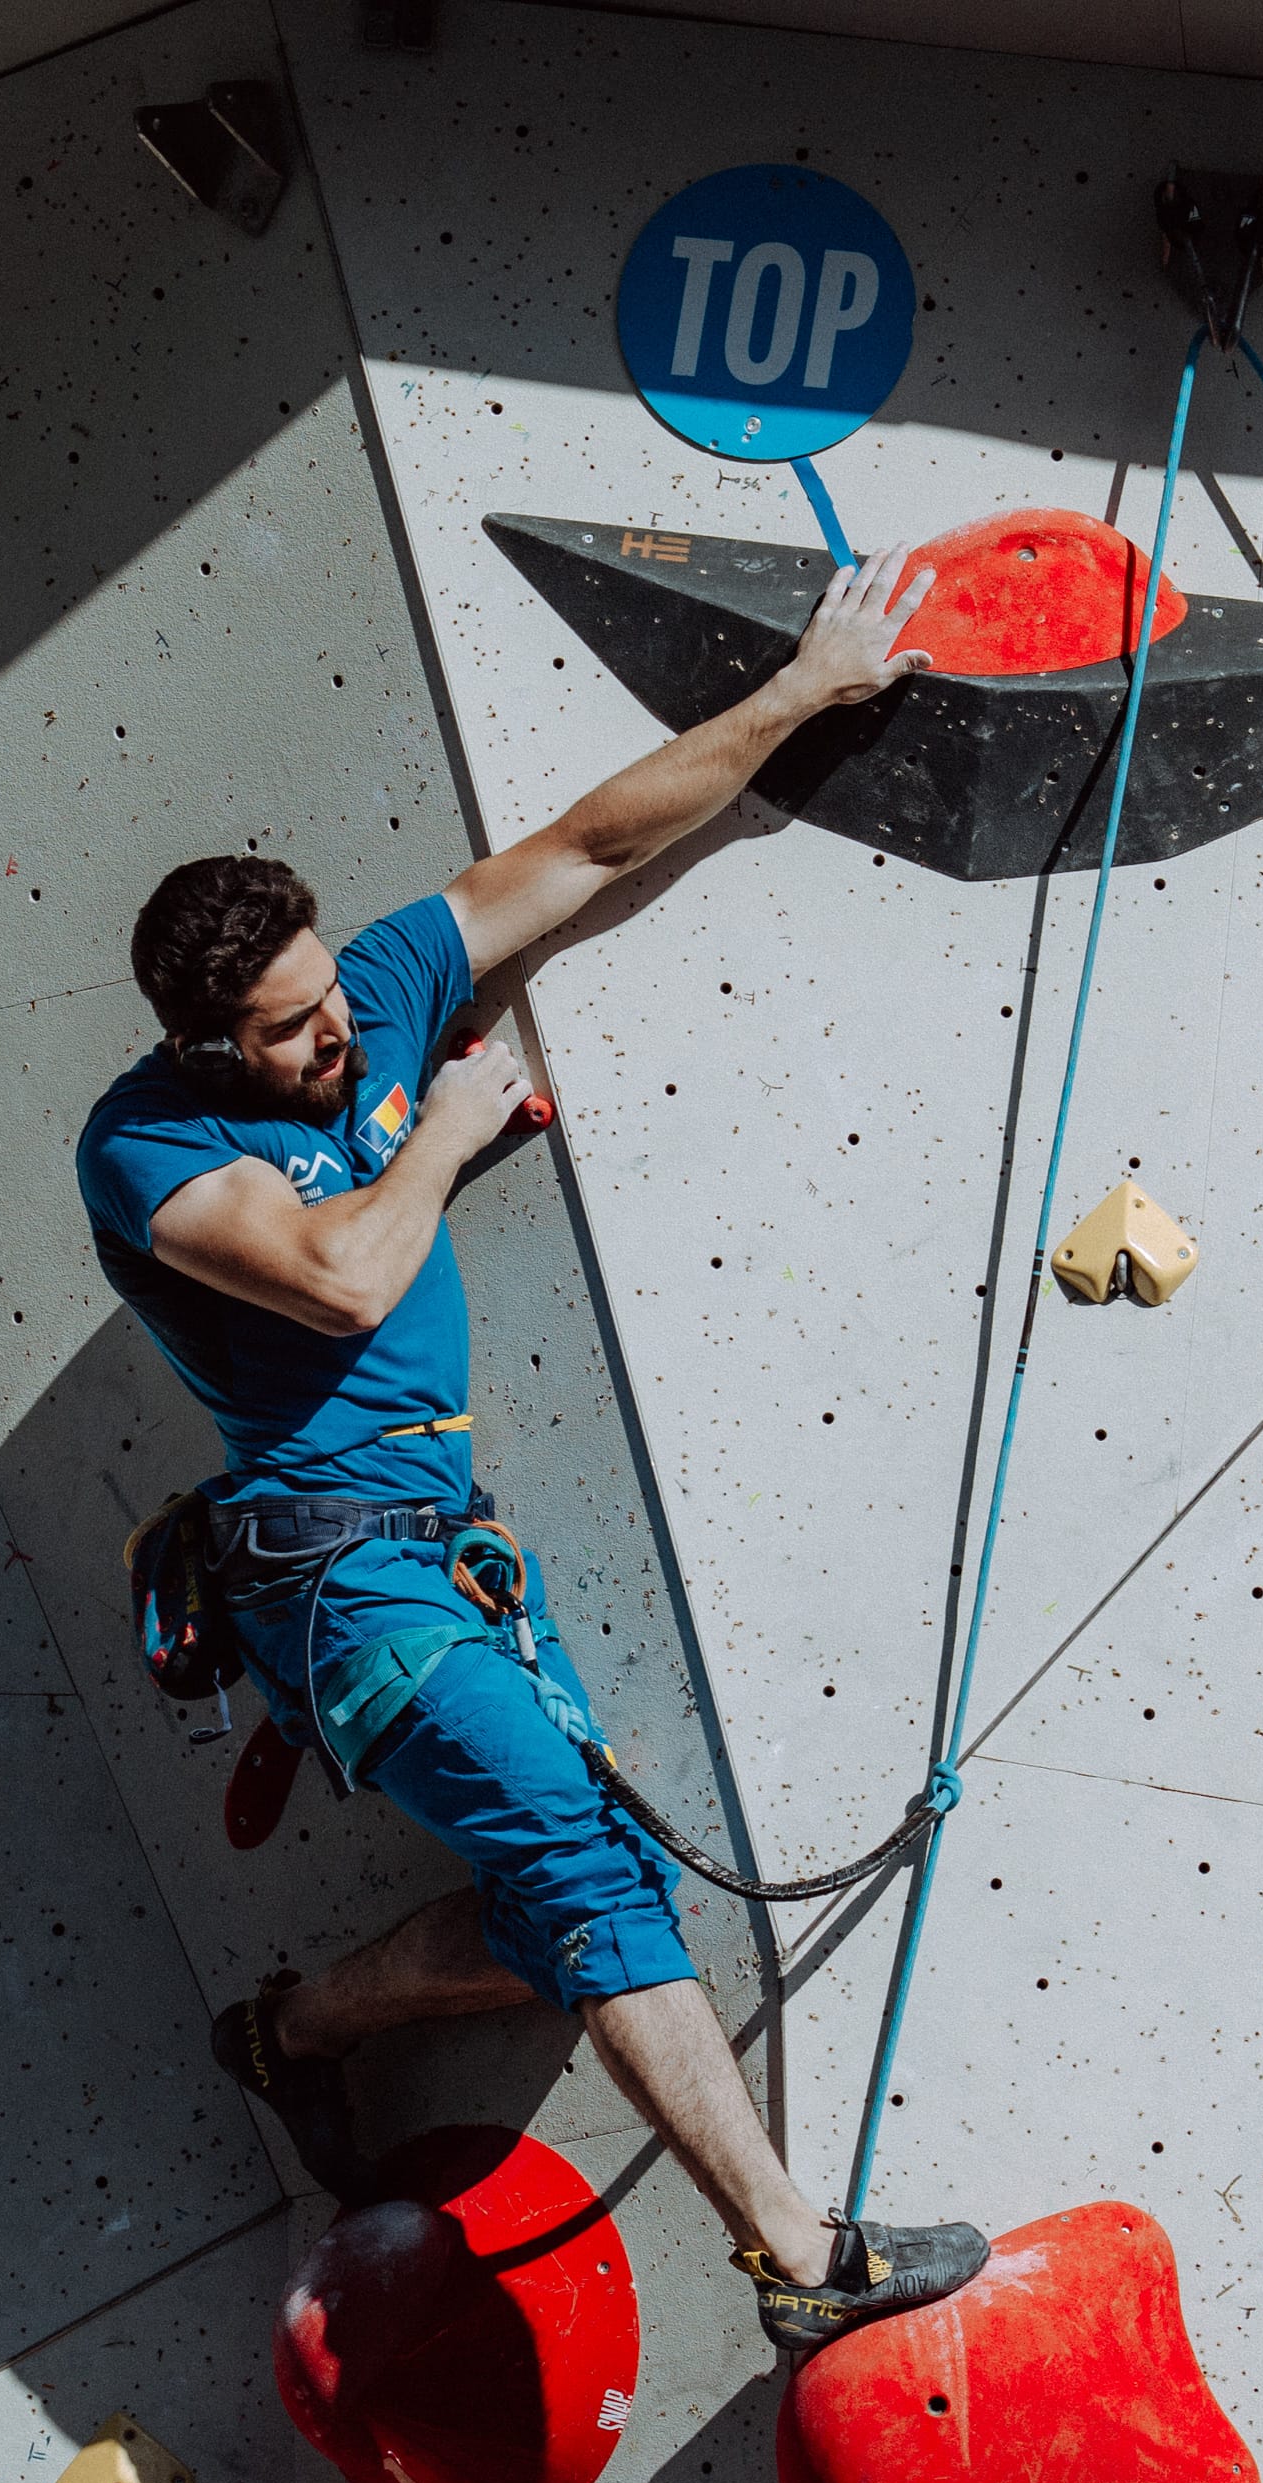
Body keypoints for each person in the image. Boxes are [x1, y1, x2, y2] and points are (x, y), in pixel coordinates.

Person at [75, 545, 988, 2354]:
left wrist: (808, 688)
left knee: (578, 1895)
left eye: (335, 994)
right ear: (203, 1044)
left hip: (446, 1544)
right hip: (337, 1579)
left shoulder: (377, 992)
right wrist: (451, 1129)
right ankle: (801, 2263)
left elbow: (586, 847)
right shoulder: (144, 1149)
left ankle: (299, 2030)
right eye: (287, 1030)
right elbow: (336, 1277)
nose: (337, 1031)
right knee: (580, 1868)